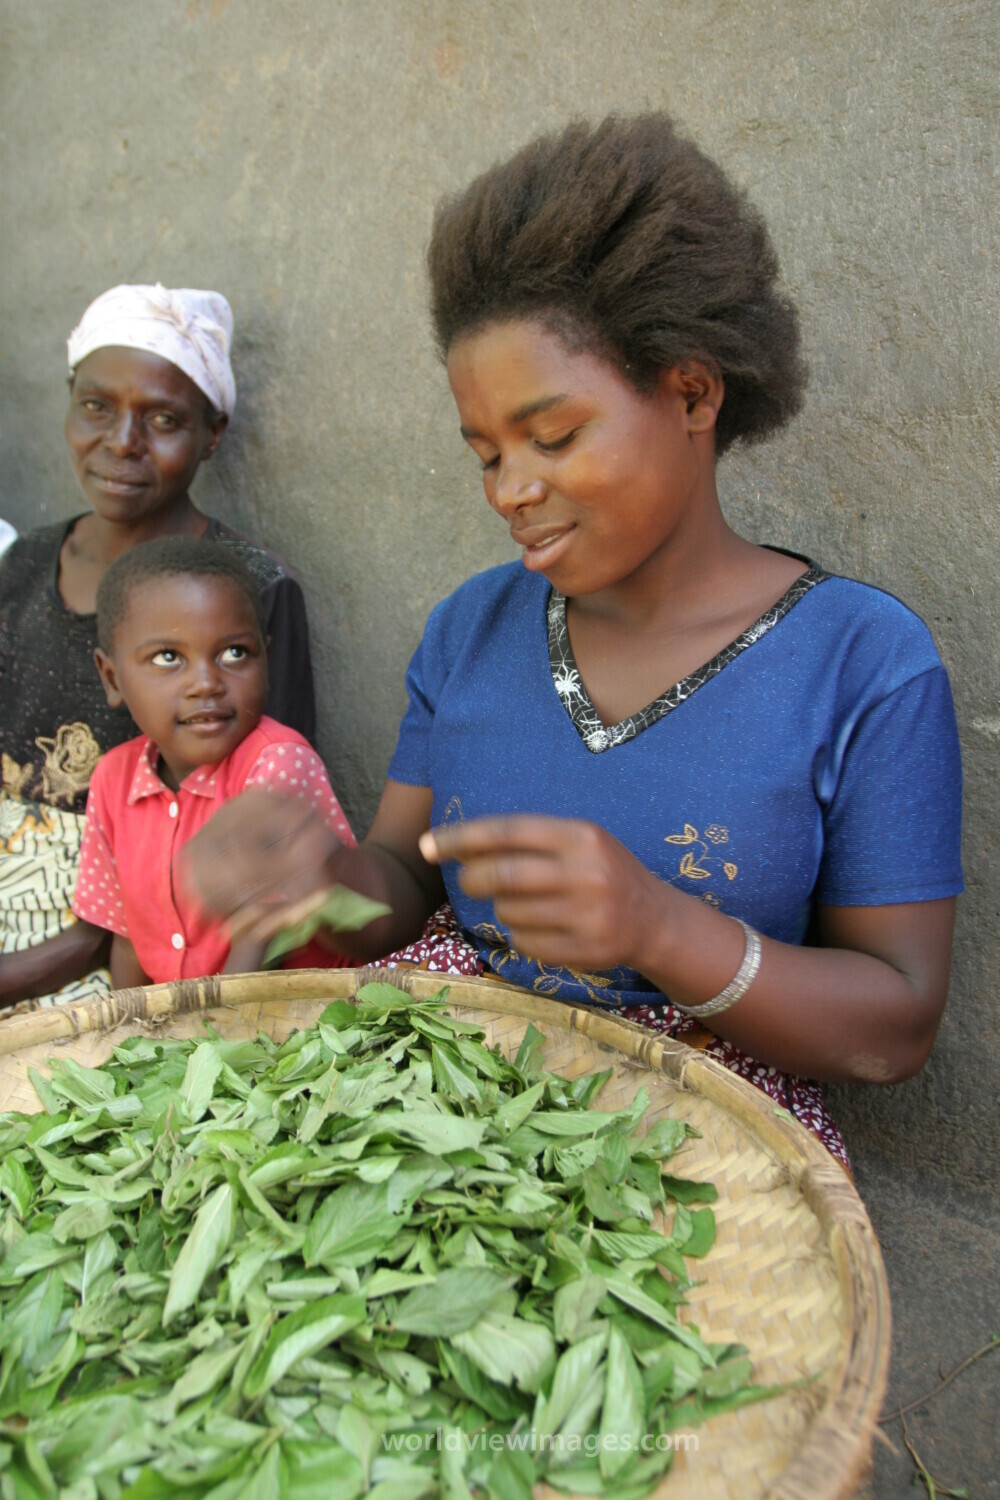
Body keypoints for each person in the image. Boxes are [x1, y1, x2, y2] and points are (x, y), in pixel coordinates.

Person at [180, 116, 963, 1167]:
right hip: (440, 1106)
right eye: (487, 455)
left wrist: (661, 932)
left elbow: (897, 1024)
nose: (512, 491)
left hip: (693, 1145)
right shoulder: (473, 626)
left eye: (552, 438)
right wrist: (319, 874)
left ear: (690, 391)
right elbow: (403, 887)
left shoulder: (862, 661)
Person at [0, 283, 316, 1009]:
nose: (121, 442)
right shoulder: (21, 567)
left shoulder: (254, 590)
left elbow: (262, 824)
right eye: (96, 406)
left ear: (212, 433)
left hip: (137, 940)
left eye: (164, 419)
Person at [72, 538, 353, 987]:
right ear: (112, 678)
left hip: (293, 1020)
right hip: (195, 1035)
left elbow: (262, 936)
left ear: (266, 657)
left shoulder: (276, 762)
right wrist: (128, 1038)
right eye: (169, 658)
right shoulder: (113, 779)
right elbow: (127, 939)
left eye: (234, 653)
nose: (206, 683)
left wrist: (200, 1043)